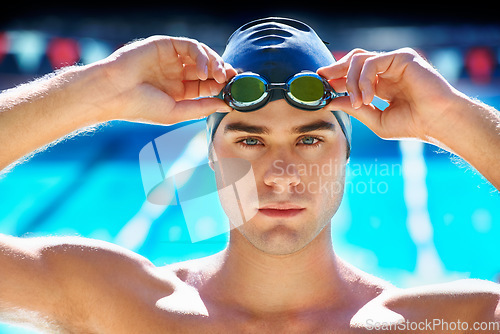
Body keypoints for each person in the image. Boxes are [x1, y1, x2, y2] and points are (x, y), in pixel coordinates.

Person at [0, 17, 499, 333]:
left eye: (309, 139)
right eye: (250, 140)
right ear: (211, 158)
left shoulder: (431, 324)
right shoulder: (122, 309)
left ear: (346, 154)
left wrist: (452, 117)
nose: (280, 175)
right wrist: (98, 89)